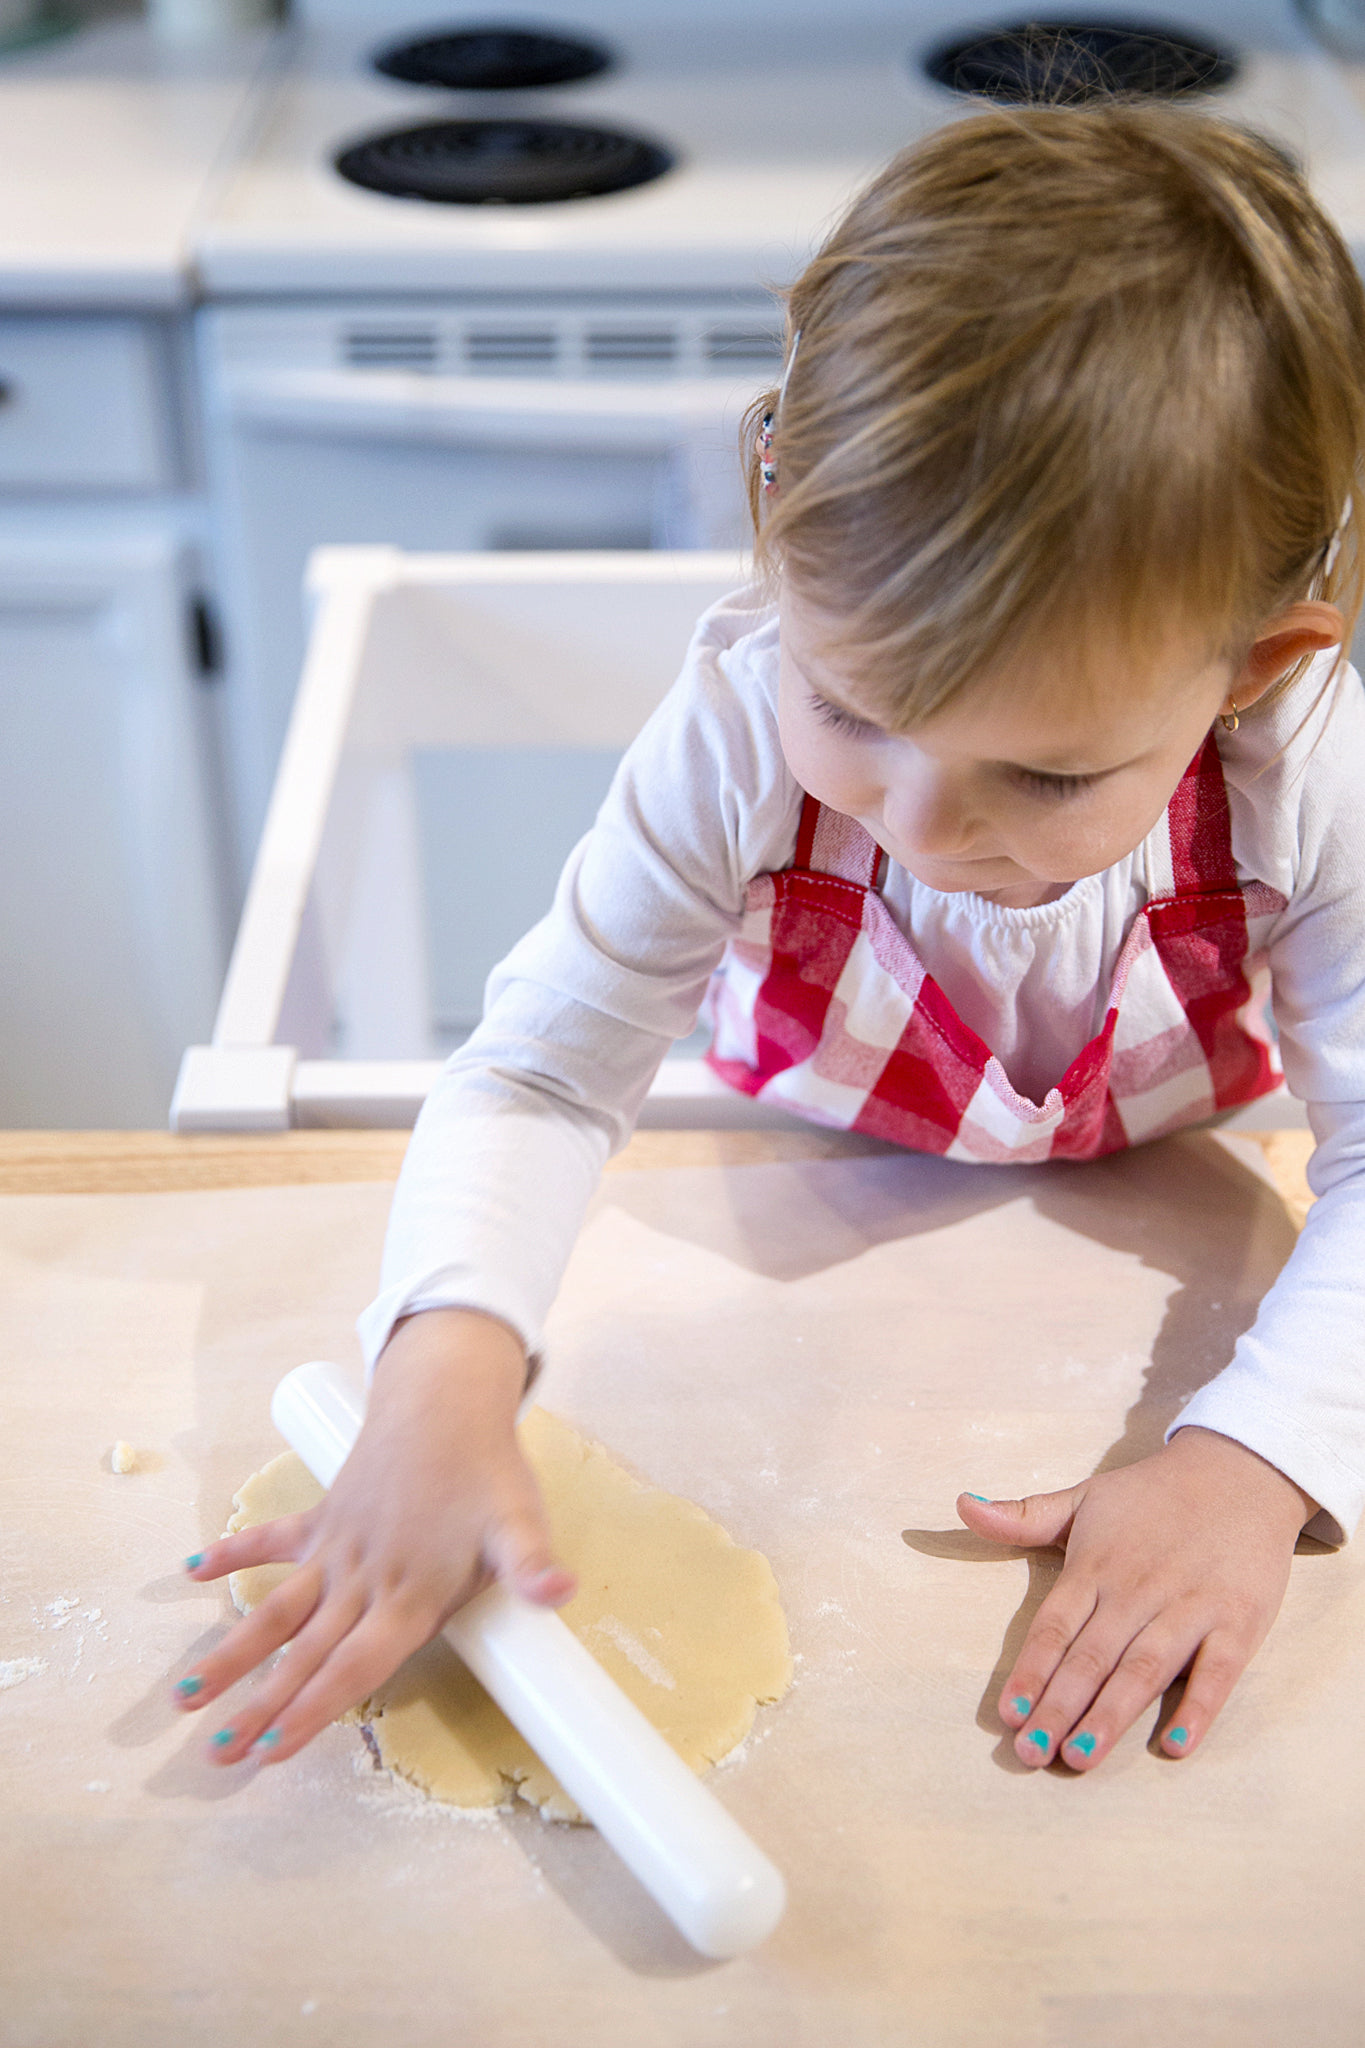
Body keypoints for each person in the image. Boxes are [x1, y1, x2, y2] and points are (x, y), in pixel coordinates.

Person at [174, 101, 1365, 1778]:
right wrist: (441, 1365)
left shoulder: (1301, 772)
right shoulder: (732, 730)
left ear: (1250, 667)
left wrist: (1258, 1454)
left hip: (1158, 1202)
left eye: (1045, 769)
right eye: (851, 708)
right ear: (773, 513)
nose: (926, 826)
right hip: (796, 1178)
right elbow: (536, 1074)